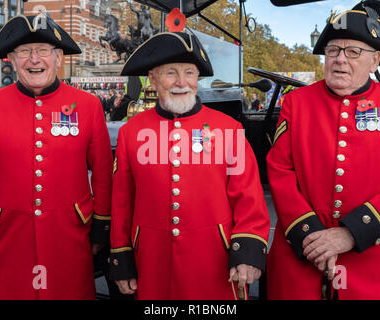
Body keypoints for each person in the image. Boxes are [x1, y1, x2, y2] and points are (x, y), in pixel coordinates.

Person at [266, 8, 380, 300]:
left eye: (353, 51)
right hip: (302, 254)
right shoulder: (296, 103)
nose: (339, 59)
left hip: (378, 262)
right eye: (332, 50)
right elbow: (280, 171)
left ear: (375, 61)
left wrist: (351, 233)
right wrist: (310, 236)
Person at [109, 32, 270, 300]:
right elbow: (122, 200)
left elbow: (249, 196)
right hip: (151, 260)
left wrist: (248, 250)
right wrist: (121, 254)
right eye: (171, 73)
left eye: (190, 73)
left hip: (214, 260)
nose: (182, 82)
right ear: (153, 78)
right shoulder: (131, 131)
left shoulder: (229, 129)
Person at [0, 13, 113, 299]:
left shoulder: (88, 106)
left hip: (69, 237)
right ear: (11, 58)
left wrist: (101, 226)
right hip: (6, 238)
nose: (34, 59)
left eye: (43, 51)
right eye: (24, 52)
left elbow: (104, 173)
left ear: (58, 57)